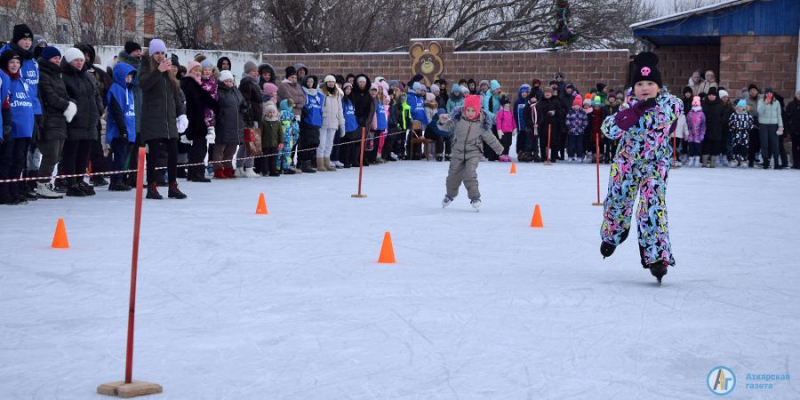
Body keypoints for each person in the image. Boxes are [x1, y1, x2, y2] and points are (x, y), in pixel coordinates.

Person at [599, 52, 683, 284]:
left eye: (650, 83)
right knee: (617, 202)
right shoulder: (628, 106)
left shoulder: (670, 104)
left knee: (652, 208)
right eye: (639, 84)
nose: (645, 88)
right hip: (626, 164)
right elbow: (608, 130)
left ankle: (657, 258)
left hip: (655, 166)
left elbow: (669, 113)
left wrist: (643, 111)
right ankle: (613, 234)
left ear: (659, 85)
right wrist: (630, 113)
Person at [138, 39, 187, 199]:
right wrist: (158, 71)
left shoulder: (168, 72)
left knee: (173, 153)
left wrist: (181, 114)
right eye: (157, 53)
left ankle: (173, 185)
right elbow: (144, 85)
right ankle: (152, 186)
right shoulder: (146, 68)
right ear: (152, 54)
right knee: (154, 156)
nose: (160, 56)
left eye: (162, 53)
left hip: (169, 122)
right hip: (153, 121)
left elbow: (176, 95)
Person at [439, 94, 504, 211]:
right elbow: (445, 127)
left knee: (470, 174)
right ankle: (450, 195)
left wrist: (500, 150)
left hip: (473, 152)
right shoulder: (458, 119)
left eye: (473, 110)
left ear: (478, 110)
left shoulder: (481, 124)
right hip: (458, 151)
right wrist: (442, 121)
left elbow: (490, 138)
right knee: (452, 176)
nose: (470, 113)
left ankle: (475, 197)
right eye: (468, 110)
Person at [59, 48, 103, 197]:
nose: (79, 63)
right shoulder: (64, 77)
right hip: (74, 122)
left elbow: (96, 94)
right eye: (76, 60)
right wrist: (72, 110)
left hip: (89, 122)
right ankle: (71, 182)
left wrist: (98, 109)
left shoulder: (88, 76)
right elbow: (65, 96)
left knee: (84, 155)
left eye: (81, 60)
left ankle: (79, 179)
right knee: (72, 154)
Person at [35, 46, 73, 199]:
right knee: (50, 154)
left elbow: (64, 94)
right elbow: (50, 96)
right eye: (54, 58)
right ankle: (41, 184)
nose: (57, 60)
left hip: (60, 120)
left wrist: (71, 103)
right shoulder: (43, 75)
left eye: (59, 58)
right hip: (49, 119)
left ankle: (46, 183)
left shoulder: (58, 76)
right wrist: (67, 105)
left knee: (56, 155)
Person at [0, 49, 36, 204]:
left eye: (17, 62)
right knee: (6, 161)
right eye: (11, 62)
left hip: (24, 129)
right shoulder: (4, 80)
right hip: (11, 128)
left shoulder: (23, 81)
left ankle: (15, 190)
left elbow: (28, 105)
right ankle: (4, 192)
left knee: (18, 162)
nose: (15, 65)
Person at [180, 60, 218, 182]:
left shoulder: (196, 83)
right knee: (199, 147)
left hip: (197, 119)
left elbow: (206, 98)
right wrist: (216, 107)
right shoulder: (189, 83)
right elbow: (200, 99)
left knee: (198, 147)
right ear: (189, 71)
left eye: (199, 70)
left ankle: (194, 173)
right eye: (195, 70)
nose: (198, 73)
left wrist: (216, 107)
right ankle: (196, 173)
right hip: (193, 119)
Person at [105, 62, 137, 191]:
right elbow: (117, 112)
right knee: (119, 156)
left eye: (130, 77)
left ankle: (120, 178)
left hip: (128, 129)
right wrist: (123, 129)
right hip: (119, 130)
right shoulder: (116, 89)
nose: (129, 79)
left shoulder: (129, 91)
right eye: (126, 76)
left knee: (124, 157)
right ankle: (115, 181)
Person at [212, 70, 247, 179]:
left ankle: (227, 168)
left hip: (236, 123)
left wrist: (245, 107)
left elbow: (242, 102)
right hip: (224, 123)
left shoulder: (236, 91)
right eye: (226, 81)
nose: (229, 83)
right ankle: (218, 168)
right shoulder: (218, 92)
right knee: (220, 147)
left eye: (231, 80)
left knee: (231, 148)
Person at [238, 61, 262, 177]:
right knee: (251, 143)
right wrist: (250, 117)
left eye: (256, 71)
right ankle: (248, 168)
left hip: (254, 116)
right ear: (248, 72)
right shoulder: (247, 82)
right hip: (250, 118)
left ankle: (239, 167)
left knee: (246, 143)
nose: (256, 73)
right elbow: (245, 101)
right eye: (253, 71)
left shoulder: (254, 83)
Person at [318, 75, 345, 171]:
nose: (331, 83)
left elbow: (340, 109)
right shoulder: (321, 93)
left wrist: (342, 124)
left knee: (330, 143)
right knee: (322, 143)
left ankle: (327, 162)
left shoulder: (337, 94)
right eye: (329, 82)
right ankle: (320, 163)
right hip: (323, 121)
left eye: (332, 82)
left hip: (334, 121)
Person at [299, 75, 323, 173]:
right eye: (308, 82)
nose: (310, 84)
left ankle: (311, 162)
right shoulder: (302, 92)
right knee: (306, 144)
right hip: (307, 121)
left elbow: (320, 108)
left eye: (312, 82)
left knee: (314, 143)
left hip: (316, 122)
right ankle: (305, 164)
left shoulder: (318, 95)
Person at [757, 88, 785, 169]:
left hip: (774, 125)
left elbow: (779, 115)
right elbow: (759, 111)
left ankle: (776, 163)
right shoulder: (761, 101)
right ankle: (765, 162)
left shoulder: (776, 102)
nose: (769, 95)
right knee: (764, 144)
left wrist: (780, 126)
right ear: (765, 94)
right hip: (763, 124)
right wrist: (765, 104)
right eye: (767, 93)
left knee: (775, 144)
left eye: (770, 93)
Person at [701, 87, 724, 168]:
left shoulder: (720, 104)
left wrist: (720, 121)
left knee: (715, 145)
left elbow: (723, 115)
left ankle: (713, 162)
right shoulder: (703, 103)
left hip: (716, 128)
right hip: (705, 128)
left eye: (713, 95)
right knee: (706, 145)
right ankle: (704, 162)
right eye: (710, 95)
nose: (711, 96)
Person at [260, 102, 284, 177]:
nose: (271, 114)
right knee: (265, 159)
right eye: (270, 112)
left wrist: (281, 142)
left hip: (275, 144)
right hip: (265, 144)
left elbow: (281, 133)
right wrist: (260, 143)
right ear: (266, 113)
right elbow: (261, 133)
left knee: (274, 159)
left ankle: (273, 170)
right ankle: (265, 170)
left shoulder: (277, 122)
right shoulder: (263, 122)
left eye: (273, 112)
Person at [728, 99, 754, 167]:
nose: (739, 108)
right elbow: (730, 122)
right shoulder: (734, 115)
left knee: (744, 146)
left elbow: (751, 123)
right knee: (735, 146)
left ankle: (744, 160)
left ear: (744, 108)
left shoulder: (747, 115)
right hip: (736, 132)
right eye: (738, 106)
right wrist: (732, 128)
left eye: (741, 107)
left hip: (744, 133)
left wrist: (748, 129)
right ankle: (735, 159)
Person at [278, 99, 299, 174]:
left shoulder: (278, 114)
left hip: (279, 138)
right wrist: (295, 137)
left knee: (279, 153)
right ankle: (286, 167)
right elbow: (295, 127)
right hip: (289, 138)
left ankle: (278, 167)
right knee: (287, 153)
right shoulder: (291, 115)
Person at [565, 95, 588, 163]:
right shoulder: (570, 112)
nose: (576, 106)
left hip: (580, 132)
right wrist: (570, 127)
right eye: (575, 105)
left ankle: (579, 156)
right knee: (571, 145)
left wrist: (582, 127)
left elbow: (585, 121)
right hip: (572, 132)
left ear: (580, 105)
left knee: (579, 146)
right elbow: (567, 120)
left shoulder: (583, 112)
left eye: (578, 105)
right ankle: (570, 156)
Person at [686, 96, 706, 167]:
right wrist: (687, 132)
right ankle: (691, 158)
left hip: (698, 134)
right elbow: (687, 123)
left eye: (696, 105)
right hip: (691, 134)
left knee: (697, 147)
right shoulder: (690, 113)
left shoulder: (701, 114)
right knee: (691, 146)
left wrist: (702, 134)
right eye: (694, 105)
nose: (695, 106)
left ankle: (697, 159)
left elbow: (703, 125)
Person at [494, 97, 515, 162]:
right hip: (503, 131)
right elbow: (498, 121)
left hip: (509, 130)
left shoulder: (510, 112)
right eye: (506, 104)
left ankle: (506, 154)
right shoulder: (501, 112)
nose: (507, 105)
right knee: (503, 143)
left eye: (508, 103)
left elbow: (513, 120)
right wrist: (499, 130)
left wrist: (514, 128)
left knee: (509, 143)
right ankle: (502, 154)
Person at [786, 91, 800, 169]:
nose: (799, 95)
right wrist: (788, 128)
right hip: (793, 129)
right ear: (795, 95)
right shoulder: (791, 104)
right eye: (798, 94)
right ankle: (795, 163)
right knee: (794, 147)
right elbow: (787, 116)